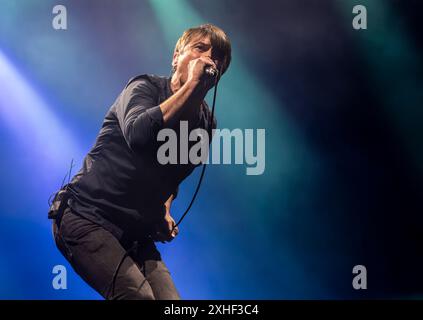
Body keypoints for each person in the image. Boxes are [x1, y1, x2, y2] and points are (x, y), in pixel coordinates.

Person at [48, 23, 231, 300]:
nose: (208, 59)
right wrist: (192, 85)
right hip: (86, 214)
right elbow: (139, 135)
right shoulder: (143, 88)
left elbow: (173, 176)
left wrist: (165, 211)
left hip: (135, 233)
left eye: (217, 57)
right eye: (199, 48)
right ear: (176, 57)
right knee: (138, 297)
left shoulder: (206, 124)